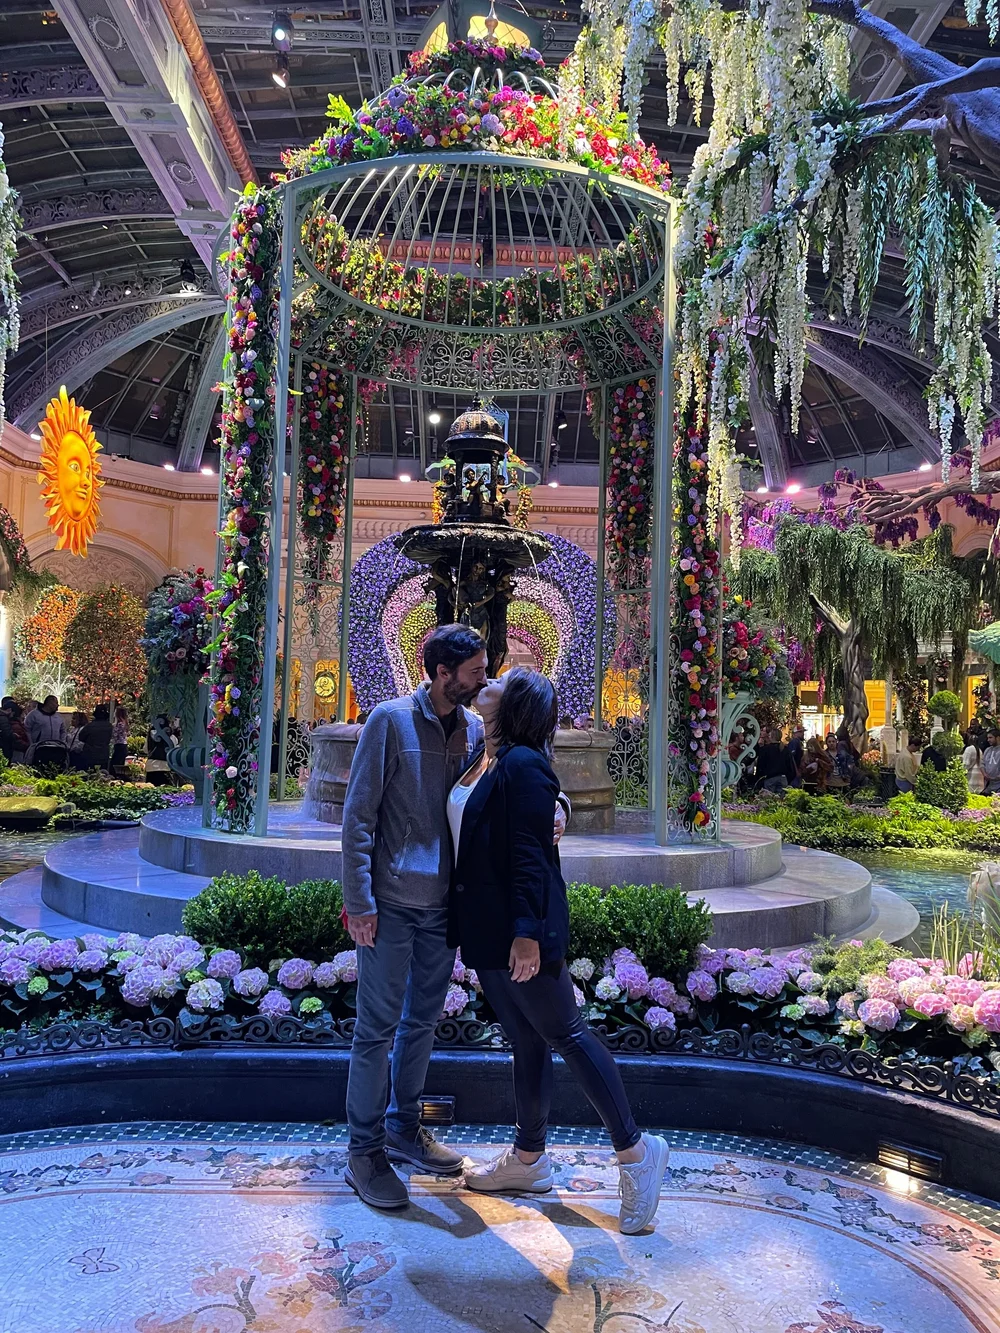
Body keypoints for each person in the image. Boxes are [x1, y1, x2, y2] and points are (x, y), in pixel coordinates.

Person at [341, 625, 567, 1210]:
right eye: (475, 672)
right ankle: (364, 1150)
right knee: (376, 1028)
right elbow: (358, 817)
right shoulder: (389, 721)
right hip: (391, 902)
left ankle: (404, 1127)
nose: (484, 680)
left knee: (421, 1022)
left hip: (446, 907)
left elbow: (523, 775)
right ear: (443, 674)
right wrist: (359, 901)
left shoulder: (473, 728)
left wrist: (561, 807)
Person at [451, 668, 670, 1235]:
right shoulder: (484, 751)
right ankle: (528, 1159)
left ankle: (637, 1153)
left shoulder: (524, 763)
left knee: (566, 1034)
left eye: (502, 679)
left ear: (515, 704)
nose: (490, 677)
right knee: (527, 1040)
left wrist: (526, 933)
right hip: (488, 928)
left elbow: (529, 853)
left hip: (518, 930)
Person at [25, 695, 67, 769]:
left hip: (56, 748)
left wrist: (62, 742)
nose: (58, 705)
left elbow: (63, 731)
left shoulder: (59, 717)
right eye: (56, 703)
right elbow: (26, 729)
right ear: (50, 703)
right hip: (39, 748)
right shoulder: (33, 715)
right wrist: (31, 744)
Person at [753, 728, 796, 793]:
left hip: (770, 778)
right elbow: (790, 766)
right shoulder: (785, 750)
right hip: (783, 778)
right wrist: (788, 778)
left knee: (769, 797)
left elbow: (761, 765)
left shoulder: (765, 749)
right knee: (781, 798)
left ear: (771, 737)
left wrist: (758, 778)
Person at [75, 704, 113, 772]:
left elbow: (81, 737)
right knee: (103, 774)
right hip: (104, 754)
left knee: (89, 774)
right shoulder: (110, 726)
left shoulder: (90, 726)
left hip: (90, 754)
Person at [144, 714, 177, 784]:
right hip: (165, 767)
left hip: (151, 767)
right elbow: (175, 751)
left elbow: (145, 750)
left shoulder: (150, 735)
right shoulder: (171, 737)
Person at [111, 706, 129, 773]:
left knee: (114, 765)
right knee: (119, 765)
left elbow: (115, 735)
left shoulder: (120, 724)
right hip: (122, 745)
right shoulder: (124, 723)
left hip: (119, 746)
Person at [982, 731, 1000, 795]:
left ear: (997, 738)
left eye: (990, 737)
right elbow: (982, 764)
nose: (988, 740)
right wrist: (984, 774)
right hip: (987, 785)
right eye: (988, 738)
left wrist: (996, 777)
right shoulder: (987, 750)